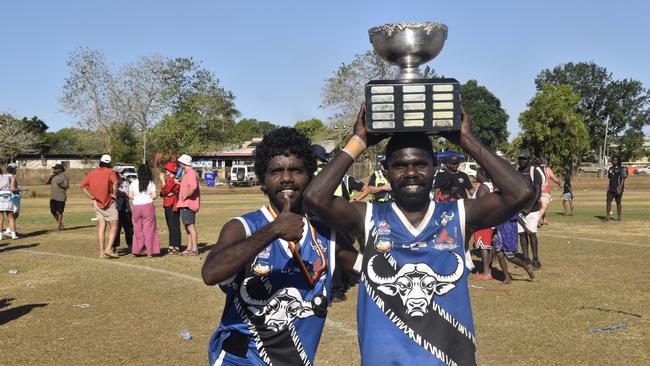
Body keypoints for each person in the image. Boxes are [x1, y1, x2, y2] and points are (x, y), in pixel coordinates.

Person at [304, 104, 533, 366]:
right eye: (400, 165)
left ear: (435, 167)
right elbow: (314, 198)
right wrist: (358, 142)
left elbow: (521, 193)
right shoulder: (367, 217)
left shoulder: (459, 215)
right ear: (387, 170)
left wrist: (467, 141)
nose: (411, 173)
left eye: (420, 164)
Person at [201, 127, 358, 366]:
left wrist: (358, 141)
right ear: (263, 178)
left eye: (296, 170)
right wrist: (273, 230)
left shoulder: (327, 234)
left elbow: (371, 270)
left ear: (310, 175)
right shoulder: (242, 227)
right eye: (276, 171)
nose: (286, 178)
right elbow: (211, 273)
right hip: (241, 360)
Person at [80, 154, 119, 259]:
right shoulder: (111, 172)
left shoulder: (93, 173)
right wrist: (114, 194)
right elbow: (115, 183)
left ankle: (101, 252)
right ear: (109, 163)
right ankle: (108, 249)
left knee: (101, 227)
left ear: (101, 162)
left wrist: (90, 196)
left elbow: (83, 186)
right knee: (114, 226)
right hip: (109, 203)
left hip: (97, 203)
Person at [516, 150, 544, 269]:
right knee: (521, 233)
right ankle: (526, 258)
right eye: (520, 159)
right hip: (519, 209)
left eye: (524, 159)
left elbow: (538, 192)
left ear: (529, 160)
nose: (521, 161)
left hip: (532, 209)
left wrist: (529, 208)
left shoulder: (534, 172)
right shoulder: (517, 172)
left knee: (532, 233)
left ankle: (536, 259)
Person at [128, 164, 160, 257]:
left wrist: (137, 198)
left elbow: (130, 195)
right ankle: (150, 251)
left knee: (137, 229)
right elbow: (154, 196)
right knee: (149, 230)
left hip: (136, 207)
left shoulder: (134, 182)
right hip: (148, 206)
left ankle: (137, 250)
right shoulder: (151, 183)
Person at [472, 168, 495, 280]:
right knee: (487, 245)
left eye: (477, 173)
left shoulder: (483, 187)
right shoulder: (489, 185)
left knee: (483, 246)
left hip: (483, 221)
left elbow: (480, 205)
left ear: (482, 175)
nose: (476, 175)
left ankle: (486, 272)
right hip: (490, 220)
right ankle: (488, 269)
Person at [176, 154, 200, 256]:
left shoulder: (190, 172)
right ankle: (189, 248)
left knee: (190, 227)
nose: (179, 164)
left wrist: (185, 196)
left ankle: (194, 249)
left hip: (188, 204)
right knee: (187, 227)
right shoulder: (187, 173)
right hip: (184, 204)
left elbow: (193, 187)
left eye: (180, 162)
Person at [159, 161, 181, 254]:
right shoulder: (170, 179)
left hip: (172, 204)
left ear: (170, 170)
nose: (165, 171)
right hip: (168, 203)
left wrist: (162, 181)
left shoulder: (172, 179)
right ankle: (174, 244)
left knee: (173, 225)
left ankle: (174, 245)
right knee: (172, 225)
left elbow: (166, 190)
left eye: (166, 170)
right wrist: (164, 192)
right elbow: (162, 192)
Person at [112, 167, 134, 254]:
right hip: (116, 208)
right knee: (116, 228)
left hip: (127, 208)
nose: (122, 174)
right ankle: (114, 247)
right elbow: (115, 193)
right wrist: (123, 194)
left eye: (123, 172)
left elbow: (129, 193)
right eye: (120, 173)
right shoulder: (113, 182)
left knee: (129, 228)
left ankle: (131, 245)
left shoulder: (126, 181)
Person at [537, 158, 562, 226]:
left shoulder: (536, 169)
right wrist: (559, 183)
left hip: (536, 191)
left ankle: (544, 220)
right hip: (544, 191)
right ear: (546, 163)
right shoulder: (547, 169)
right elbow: (554, 178)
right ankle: (535, 220)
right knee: (544, 207)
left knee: (540, 207)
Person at [46, 163, 69, 231]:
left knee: (60, 212)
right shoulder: (53, 176)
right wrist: (51, 177)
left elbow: (67, 187)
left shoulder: (64, 177)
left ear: (59, 170)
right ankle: (61, 224)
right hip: (53, 197)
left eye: (55, 169)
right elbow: (47, 183)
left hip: (61, 197)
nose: (54, 170)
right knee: (53, 211)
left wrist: (61, 185)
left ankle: (59, 227)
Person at [604, 156, 626, 222]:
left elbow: (623, 179)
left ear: (618, 161)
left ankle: (619, 217)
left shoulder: (621, 169)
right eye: (613, 160)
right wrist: (608, 187)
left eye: (616, 160)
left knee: (618, 202)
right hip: (611, 188)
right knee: (608, 201)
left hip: (618, 188)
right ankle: (607, 217)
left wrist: (620, 188)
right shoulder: (610, 169)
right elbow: (610, 179)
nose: (614, 161)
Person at [0, 167, 16, 240]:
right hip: (8, 196)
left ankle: (0, 236)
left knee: (0, 218)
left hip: (0, 196)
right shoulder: (10, 176)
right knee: (11, 217)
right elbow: (12, 188)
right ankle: (13, 235)